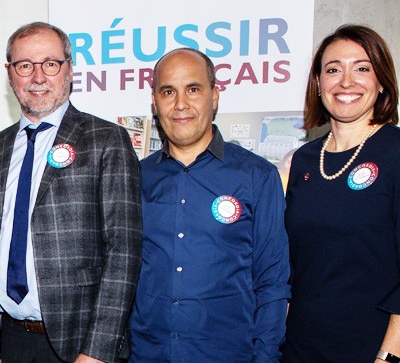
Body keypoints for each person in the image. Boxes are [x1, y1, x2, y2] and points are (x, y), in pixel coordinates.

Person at [0, 21, 142, 363]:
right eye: (24, 66)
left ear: (69, 70)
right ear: (10, 74)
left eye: (50, 64)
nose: (38, 77)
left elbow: (123, 251)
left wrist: (96, 352)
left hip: (79, 347)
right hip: (11, 342)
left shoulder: (105, 140)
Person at [129, 48, 290, 362]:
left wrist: (266, 357)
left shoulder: (256, 175)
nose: (180, 104)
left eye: (193, 89)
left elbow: (272, 282)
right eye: (167, 91)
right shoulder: (134, 178)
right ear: (154, 101)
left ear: (214, 96)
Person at [283, 24, 400, 363]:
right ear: (318, 84)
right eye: (333, 70)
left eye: (362, 68)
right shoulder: (303, 160)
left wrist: (388, 355)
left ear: (381, 82)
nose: (346, 82)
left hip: (372, 349)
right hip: (299, 348)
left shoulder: (395, 152)